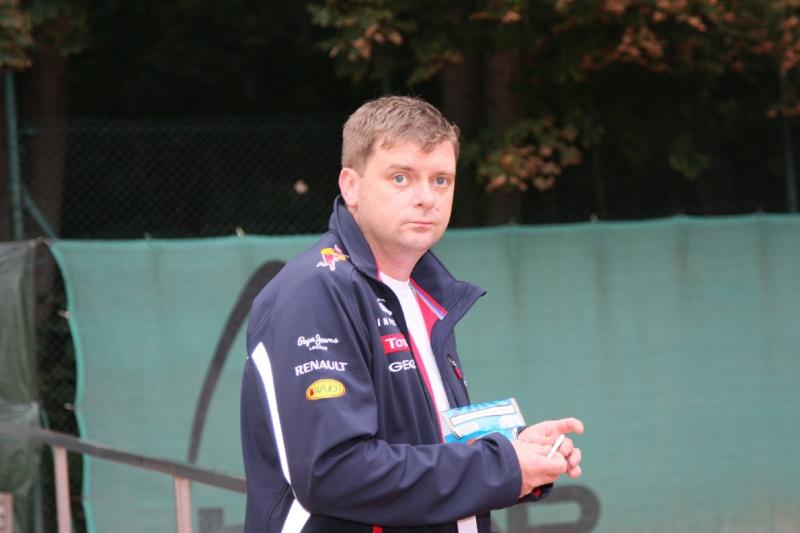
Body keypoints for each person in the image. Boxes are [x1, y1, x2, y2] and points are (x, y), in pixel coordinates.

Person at [240, 95, 583, 533]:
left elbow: (427, 444)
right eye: (401, 177)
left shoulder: (424, 291)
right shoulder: (315, 290)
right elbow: (335, 473)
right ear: (351, 186)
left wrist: (515, 451)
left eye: (441, 180)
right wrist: (500, 465)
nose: (426, 198)